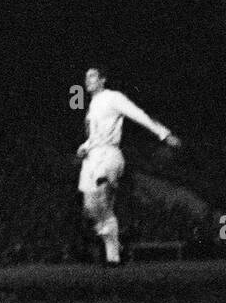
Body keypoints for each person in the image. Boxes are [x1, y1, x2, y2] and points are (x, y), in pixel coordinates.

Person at [76, 66, 181, 265]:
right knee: (91, 210)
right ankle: (113, 248)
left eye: (92, 76)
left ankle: (114, 257)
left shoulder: (113, 98)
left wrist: (164, 134)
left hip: (109, 155)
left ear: (103, 79)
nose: (87, 80)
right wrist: (83, 147)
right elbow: (93, 136)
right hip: (92, 158)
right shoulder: (92, 106)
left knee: (102, 192)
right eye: (86, 77)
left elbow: (137, 114)